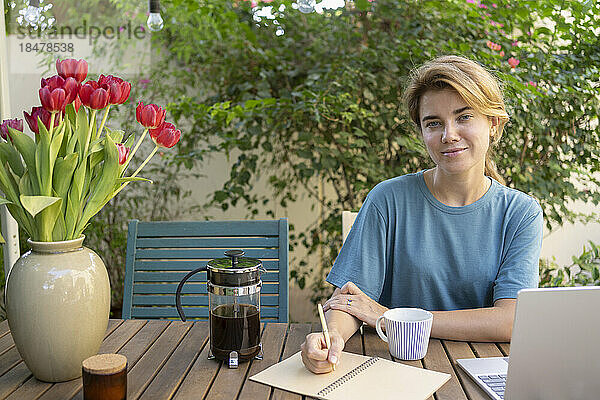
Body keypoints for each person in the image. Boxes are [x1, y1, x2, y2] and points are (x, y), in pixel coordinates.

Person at [301, 55, 544, 374]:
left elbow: (510, 321)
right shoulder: (387, 199)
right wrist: (331, 337)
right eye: (434, 123)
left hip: (480, 370)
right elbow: (350, 301)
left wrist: (389, 317)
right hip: (396, 368)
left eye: (464, 117)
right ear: (421, 132)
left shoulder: (520, 212)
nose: (449, 135)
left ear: (493, 124)